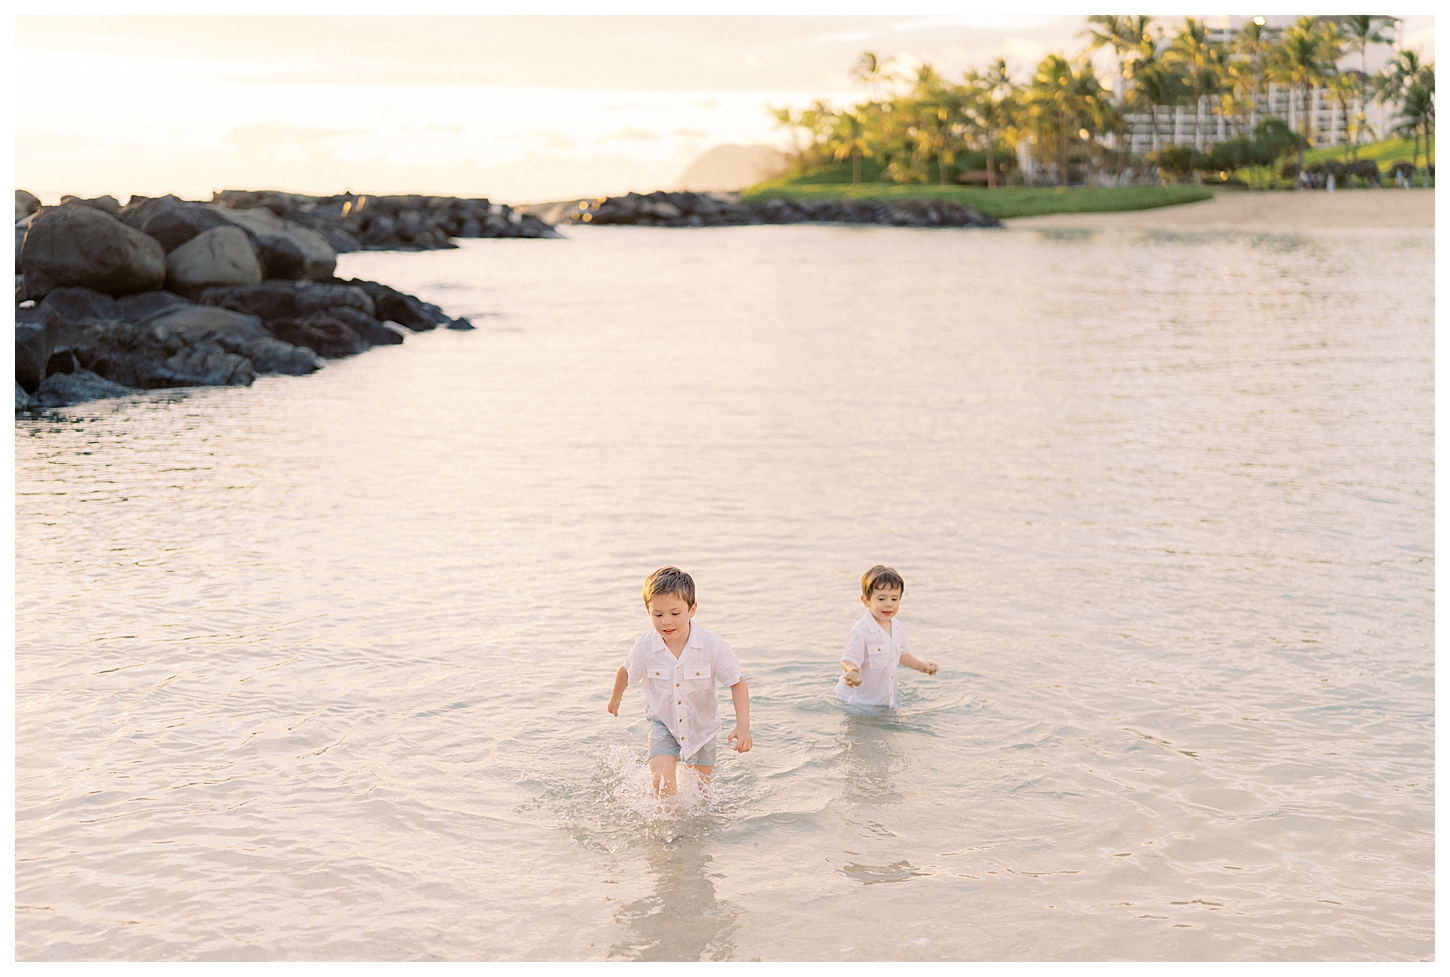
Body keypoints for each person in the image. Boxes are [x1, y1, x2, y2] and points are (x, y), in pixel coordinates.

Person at [607, 566, 752, 798]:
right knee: (663, 788)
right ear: (648, 611)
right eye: (658, 614)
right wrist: (616, 696)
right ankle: (668, 833)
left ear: (692, 609)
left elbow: (737, 683)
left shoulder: (713, 646)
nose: (666, 622)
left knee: (701, 794)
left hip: (702, 727)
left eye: (675, 613)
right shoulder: (644, 647)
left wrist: (743, 726)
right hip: (662, 722)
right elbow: (625, 670)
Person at [836, 564, 937, 708]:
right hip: (859, 704)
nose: (889, 604)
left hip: (886, 701)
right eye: (881, 599)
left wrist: (922, 666)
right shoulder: (861, 631)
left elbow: (902, 655)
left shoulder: (896, 626)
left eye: (894, 599)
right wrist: (851, 671)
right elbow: (847, 660)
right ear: (866, 601)